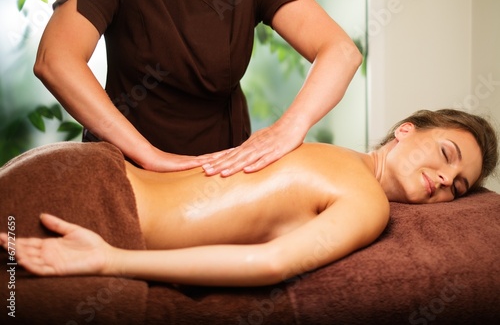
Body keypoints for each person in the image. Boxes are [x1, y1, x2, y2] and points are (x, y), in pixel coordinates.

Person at [0, 109, 497, 286]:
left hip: (86, 197)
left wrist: (110, 259)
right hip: (93, 198)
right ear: (406, 130)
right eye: (447, 153)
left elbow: (270, 262)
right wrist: (109, 261)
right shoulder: (333, 162)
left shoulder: (367, 200)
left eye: (458, 186)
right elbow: (270, 264)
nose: (444, 180)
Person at [34, 0, 362, 175]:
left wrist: (290, 127)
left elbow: (341, 51)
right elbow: (56, 59)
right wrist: (148, 155)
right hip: (128, 169)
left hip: (222, 169)